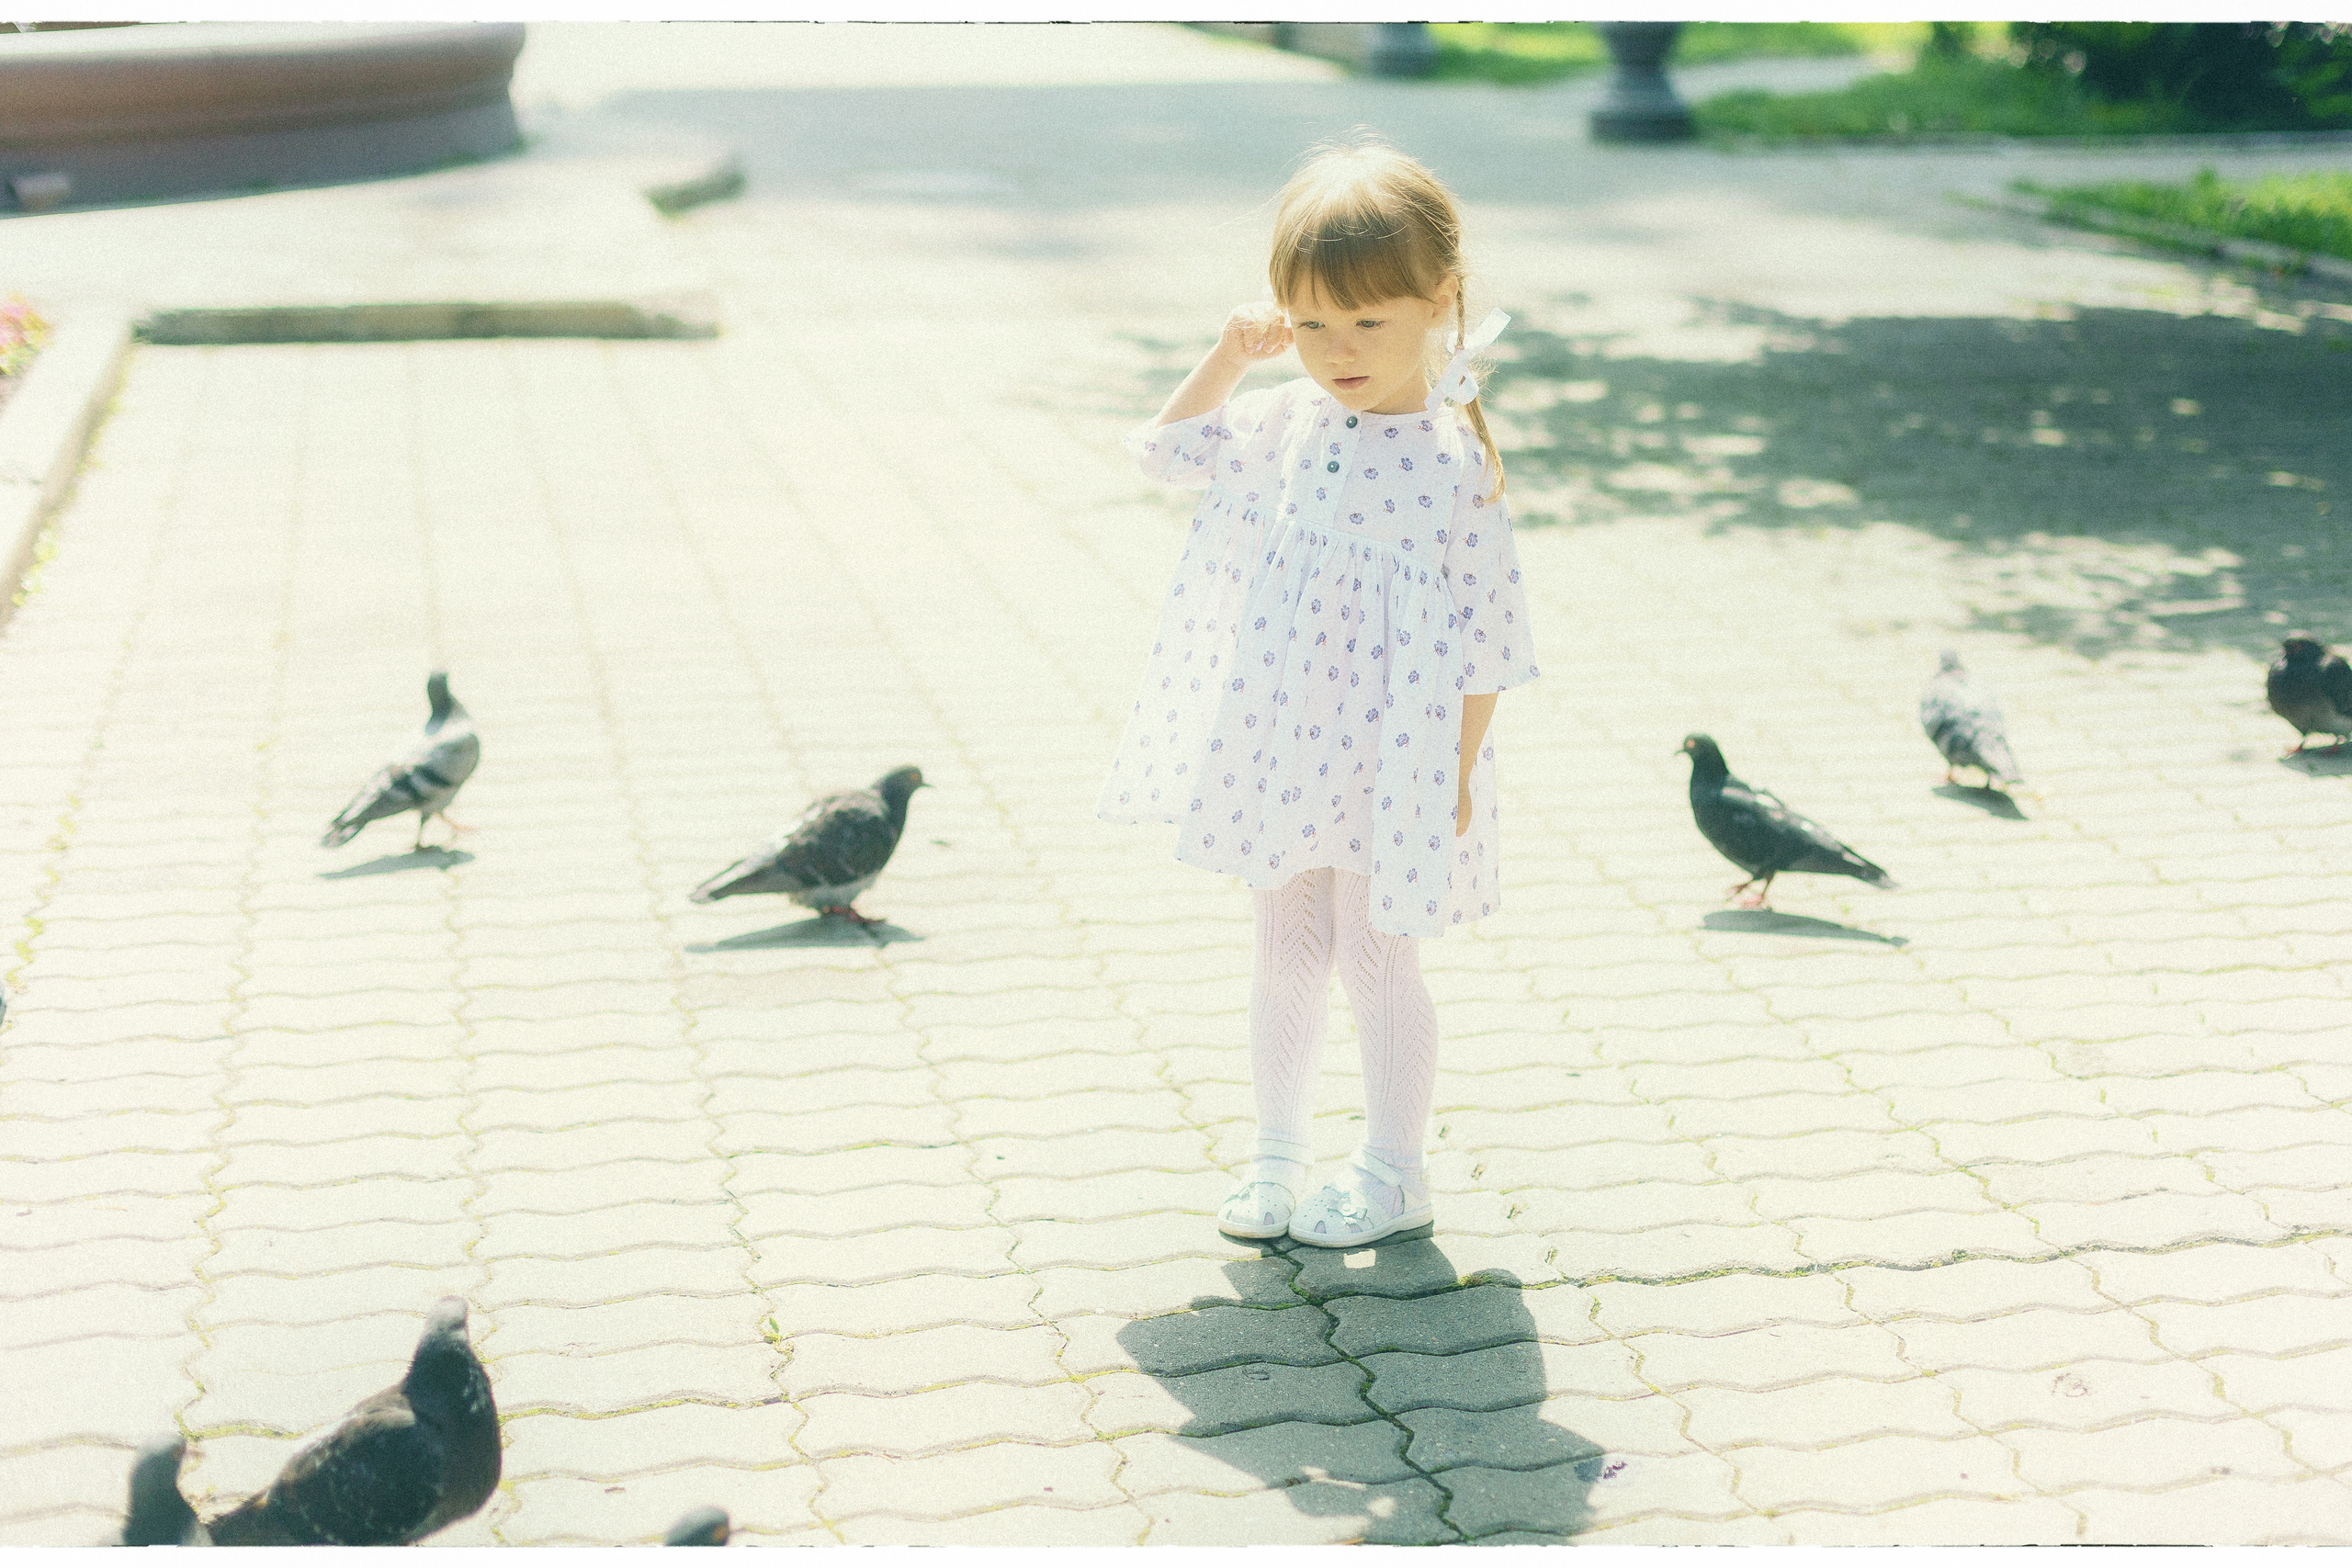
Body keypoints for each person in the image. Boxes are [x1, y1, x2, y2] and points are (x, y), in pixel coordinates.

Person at [1098, 136, 1540, 1248]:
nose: (1336, 352)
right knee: (1285, 948)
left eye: (1367, 324)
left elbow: (1492, 641)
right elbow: (1162, 454)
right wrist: (1229, 357)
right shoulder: (1279, 423)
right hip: (1284, 746)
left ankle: (1394, 1172)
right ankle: (1274, 1155)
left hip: (1397, 758)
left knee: (1377, 958)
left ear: (1438, 303)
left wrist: (1451, 778)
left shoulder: (1453, 465)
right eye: (1309, 326)